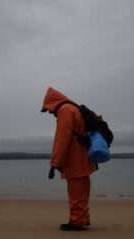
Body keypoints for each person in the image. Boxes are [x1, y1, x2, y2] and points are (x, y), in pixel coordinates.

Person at [41, 87, 96, 231]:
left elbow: (62, 139)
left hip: (75, 159)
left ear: (53, 103)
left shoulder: (65, 111)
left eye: (49, 109)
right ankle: (84, 218)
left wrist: (55, 162)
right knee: (83, 191)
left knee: (76, 192)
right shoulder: (74, 108)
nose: (51, 113)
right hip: (84, 157)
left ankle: (77, 222)